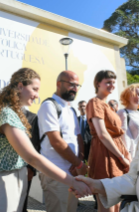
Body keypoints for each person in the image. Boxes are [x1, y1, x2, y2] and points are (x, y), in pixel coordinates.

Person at [0, 68, 91, 212]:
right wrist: (72, 181)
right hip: (0, 180)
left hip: (11, 178)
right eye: (34, 89)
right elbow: (32, 157)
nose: (37, 95)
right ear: (19, 86)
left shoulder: (12, 113)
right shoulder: (7, 114)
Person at [37, 70, 88, 212]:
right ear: (59, 84)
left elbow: (78, 138)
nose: (75, 89)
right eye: (72, 84)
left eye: (78, 86)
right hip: (55, 172)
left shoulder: (71, 110)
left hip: (72, 173)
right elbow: (56, 141)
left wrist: (79, 160)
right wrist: (78, 164)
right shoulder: (49, 106)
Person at [86, 70, 131, 212]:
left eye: (113, 82)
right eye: (107, 82)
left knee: (117, 203)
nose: (111, 85)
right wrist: (121, 156)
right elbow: (102, 134)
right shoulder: (95, 102)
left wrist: (125, 154)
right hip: (105, 153)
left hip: (116, 152)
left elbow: (116, 134)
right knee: (107, 205)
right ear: (98, 84)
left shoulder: (108, 106)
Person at [117, 84, 139, 158]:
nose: (138, 97)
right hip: (132, 155)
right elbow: (123, 137)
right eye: (134, 94)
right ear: (127, 96)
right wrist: (126, 157)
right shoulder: (122, 112)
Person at [22, 109, 39, 212]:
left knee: (22, 201)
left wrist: (31, 167)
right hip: (7, 167)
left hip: (26, 167)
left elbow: (35, 144)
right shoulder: (4, 113)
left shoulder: (33, 117)